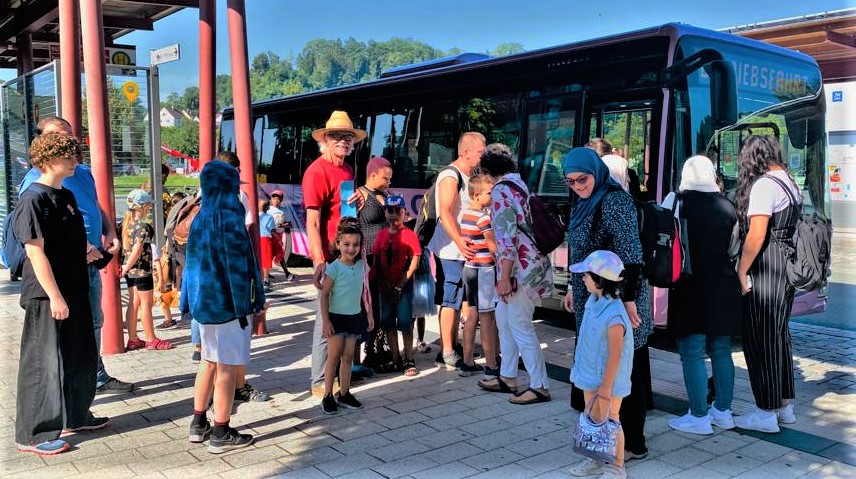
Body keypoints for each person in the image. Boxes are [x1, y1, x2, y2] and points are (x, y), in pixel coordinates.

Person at [18, 117, 133, 394]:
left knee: (94, 321)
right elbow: (38, 233)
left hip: (92, 262)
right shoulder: (35, 183)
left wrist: (109, 230)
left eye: (69, 135)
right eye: (58, 136)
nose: (67, 141)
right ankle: (75, 386)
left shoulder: (80, 172)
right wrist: (82, 247)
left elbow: (94, 205)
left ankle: (94, 376)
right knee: (71, 329)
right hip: (64, 268)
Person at [14, 132, 106, 455]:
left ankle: (76, 415)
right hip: (47, 294)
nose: (75, 162)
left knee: (80, 353)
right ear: (49, 160)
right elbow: (35, 253)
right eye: (68, 157)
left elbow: (71, 239)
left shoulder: (65, 195)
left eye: (74, 155)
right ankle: (34, 434)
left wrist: (90, 251)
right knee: (43, 362)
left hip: (75, 287)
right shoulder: (33, 200)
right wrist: (54, 296)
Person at [562, 147, 653, 461]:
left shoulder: (614, 201)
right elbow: (578, 250)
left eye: (582, 179)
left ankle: (632, 444)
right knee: (602, 361)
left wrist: (629, 301)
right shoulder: (582, 202)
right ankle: (604, 434)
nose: (577, 186)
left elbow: (631, 254)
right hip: (592, 296)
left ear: (596, 172)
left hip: (619, 298)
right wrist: (572, 286)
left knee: (627, 367)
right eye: (570, 181)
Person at [183, 160, 266, 453]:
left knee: (208, 361)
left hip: (205, 305)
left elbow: (189, 269)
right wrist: (253, 302)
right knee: (228, 367)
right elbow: (239, 269)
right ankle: (221, 430)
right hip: (229, 306)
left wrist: (187, 302)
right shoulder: (230, 219)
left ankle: (198, 423)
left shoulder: (200, 218)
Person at [662, 155, 741, 435]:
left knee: (693, 352)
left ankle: (698, 416)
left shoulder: (676, 201)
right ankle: (723, 411)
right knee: (721, 350)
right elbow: (734, 248)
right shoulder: (727, 205)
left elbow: (664, 238)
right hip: (723, 285)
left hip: (689, 284)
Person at [733, 135, 801, 433]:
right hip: (785, 264)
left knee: (761, 339)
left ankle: (766, 412)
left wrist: (741, 268)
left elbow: (757, 234)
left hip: (767, 266)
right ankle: (784, 406)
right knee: (778, 336)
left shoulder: (764, 185)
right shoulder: (788, 180)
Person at [476, 143, 552, 405]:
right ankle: (507, 376)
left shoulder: (500, 191)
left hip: (519, 270)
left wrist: (504, 278)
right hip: (529, 265)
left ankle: (540, 385)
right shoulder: (519, 184)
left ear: (488, 171)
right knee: (505, 321)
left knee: (520, 325)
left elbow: (506, 239)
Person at [304, 111, 366, 397]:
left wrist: (360, 198)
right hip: (330, 257)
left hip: (346, 253)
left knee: (344, 313)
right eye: (337, 136)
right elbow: (313, 222)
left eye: (348, 136)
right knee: (326, 317)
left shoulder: (347, 169)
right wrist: (319, 261)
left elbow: (345, 211)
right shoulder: (316, 171)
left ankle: (339, 374)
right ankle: (319, 380)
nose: (344, 141)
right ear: (325, 140)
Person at [567, 250, 634, 479]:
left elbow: (616, 354)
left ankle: (617, 465)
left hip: (608, 380)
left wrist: (606, 386)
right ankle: (596, 460)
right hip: (590, 374)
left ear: (600, 279)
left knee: (611, 419)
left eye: (586, 274)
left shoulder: (614, 314)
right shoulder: (593, 303)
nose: (583, 278)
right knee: (594, 419)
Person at [427, 132, 485, 370]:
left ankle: (453, 344)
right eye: (480, 152)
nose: (483, 156)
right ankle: (447, 351)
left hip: (461, 249)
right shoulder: (451, 176)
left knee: (458, 298)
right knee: (450, 299)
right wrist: (461, 242)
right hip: (451, 250)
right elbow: (445, 213)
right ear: (466, 152)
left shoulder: (468, 174)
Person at [319, 219, 373, 413]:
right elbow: (324, 295)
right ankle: (327, 395)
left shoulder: (362, 266)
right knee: (333, 356)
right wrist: (326, 321)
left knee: (348, 357)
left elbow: (366, 293)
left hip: (354, 317)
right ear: (338, 244)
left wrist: (369, 314)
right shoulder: (334, 268)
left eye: (356, 244)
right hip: (336, 318)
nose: (351, 248)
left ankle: (344, 392)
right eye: (347, 244)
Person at [372, 195, 422, 376]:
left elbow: (415, 259)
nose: (393, 215)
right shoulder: (381, 234)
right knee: (387, 322)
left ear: (404, 213)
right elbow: (376, 260)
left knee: (405, 322)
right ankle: (395, 358)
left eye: (397, 211)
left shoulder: (409, 234)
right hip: (385, 286)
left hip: (404, 286)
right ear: (385, 213)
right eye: (389, 211)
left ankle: (409, 358)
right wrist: (383, 282)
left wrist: (401, 283)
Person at [120, 189, 172, 351]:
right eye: (148, 205)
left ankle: (133, 338)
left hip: (130, 273)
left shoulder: (125, 225)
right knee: (146, 305)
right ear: (141, 206)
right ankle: (151, 338)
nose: (149, 208)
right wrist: (127, 266)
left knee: (133, 303)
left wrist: (125, 267)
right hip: (142, 271)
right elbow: (137, 250)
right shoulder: (143, 227)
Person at [458, 174, 499, 377]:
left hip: (470, 268)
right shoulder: (483, 218)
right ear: (476, 195)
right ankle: (491, 364)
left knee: (472, 314)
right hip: (484, 270)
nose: (492, 196)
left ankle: (467, 361)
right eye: (489, 193)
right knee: (487, 317)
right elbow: (493, 246)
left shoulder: (466, 214)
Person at [358, 157, 392, 371]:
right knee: (367, 305)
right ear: (372, 175)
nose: (389, 182)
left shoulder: (386, 195)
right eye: (385, 178)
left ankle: (378, 349)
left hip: (386, 257)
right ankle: (365, 351)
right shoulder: (360, 195)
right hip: (368, 257)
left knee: (382, 305)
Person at [268, 190, 295, 282]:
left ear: (281, 200)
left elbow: (289, 224)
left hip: (278, 235)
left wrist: (283, 225)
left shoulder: (285, 210)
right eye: (274, 198)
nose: (276, 200)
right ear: (271, 199)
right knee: (269, 254)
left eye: (278, 198)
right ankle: (266, 273)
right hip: (269, 235)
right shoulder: (267, 209)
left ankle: (286, 273)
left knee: (279, 253)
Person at [258, 199, 275, 288]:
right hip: (265, 239)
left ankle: (259, 278)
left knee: (257, 258)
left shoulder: (253, 215)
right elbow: (272, 230)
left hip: (255, 238)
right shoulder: (269, 217)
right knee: (266, 259)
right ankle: (266, 279)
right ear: (268, 207)